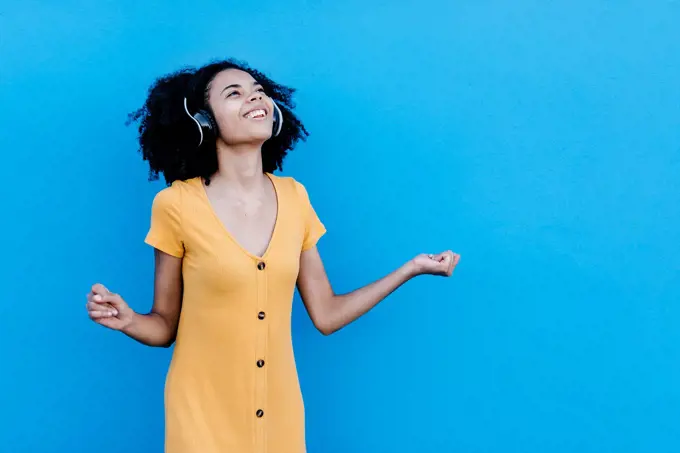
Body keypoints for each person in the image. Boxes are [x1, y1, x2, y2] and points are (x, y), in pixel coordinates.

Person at [86, 58, 460, 453]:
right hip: (202, 418)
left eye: (258, 91)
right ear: (204, 120)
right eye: (235, 93)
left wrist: (411, 269)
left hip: (280, 417)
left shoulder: (295, 198)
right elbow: (165, 326)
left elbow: (327, 315)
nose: (255, 97)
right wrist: (128, 320)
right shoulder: (176, 205)